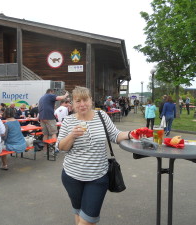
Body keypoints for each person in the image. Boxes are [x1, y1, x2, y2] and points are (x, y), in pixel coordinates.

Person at [57, 86, 140, 225]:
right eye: (78, 101)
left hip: (98, 177)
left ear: (91, 100)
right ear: (73, 103)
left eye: (85, 100)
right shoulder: (68, 121)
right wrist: (72, 135)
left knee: (88, 220)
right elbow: (61, 147)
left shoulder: (102, 116)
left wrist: (132, 133)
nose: (82, 104)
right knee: (78, 212)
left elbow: (115, 135)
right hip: (72, 176)